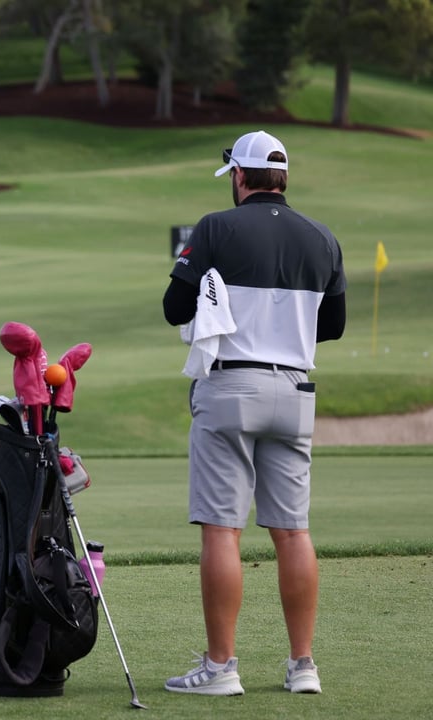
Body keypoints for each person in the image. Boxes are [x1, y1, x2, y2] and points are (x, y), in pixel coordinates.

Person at [161, 130, 347, 695]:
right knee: (292, 532)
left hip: (230, 389)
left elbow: (174, 308)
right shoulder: (324, 237)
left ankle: (220, 669)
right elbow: (332, 327)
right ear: (282, 178)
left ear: (240, 177)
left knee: (223, 529)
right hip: (294, 391)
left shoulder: (216, 226)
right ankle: (303, 667)